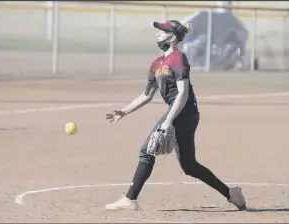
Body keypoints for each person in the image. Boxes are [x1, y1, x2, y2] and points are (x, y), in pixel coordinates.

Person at [105, 20, 246, 211]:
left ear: (172, 37)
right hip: (182, 113)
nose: (158, 34)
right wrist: (124, 111)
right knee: (189, 166)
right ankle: (231, 194)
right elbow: (146, 95)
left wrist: (168, 122)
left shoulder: (178, 58)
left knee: (147, 151)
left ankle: (130, 199)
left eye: (162, 31)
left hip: (184, 112)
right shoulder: (156, 64)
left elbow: (183, 93)